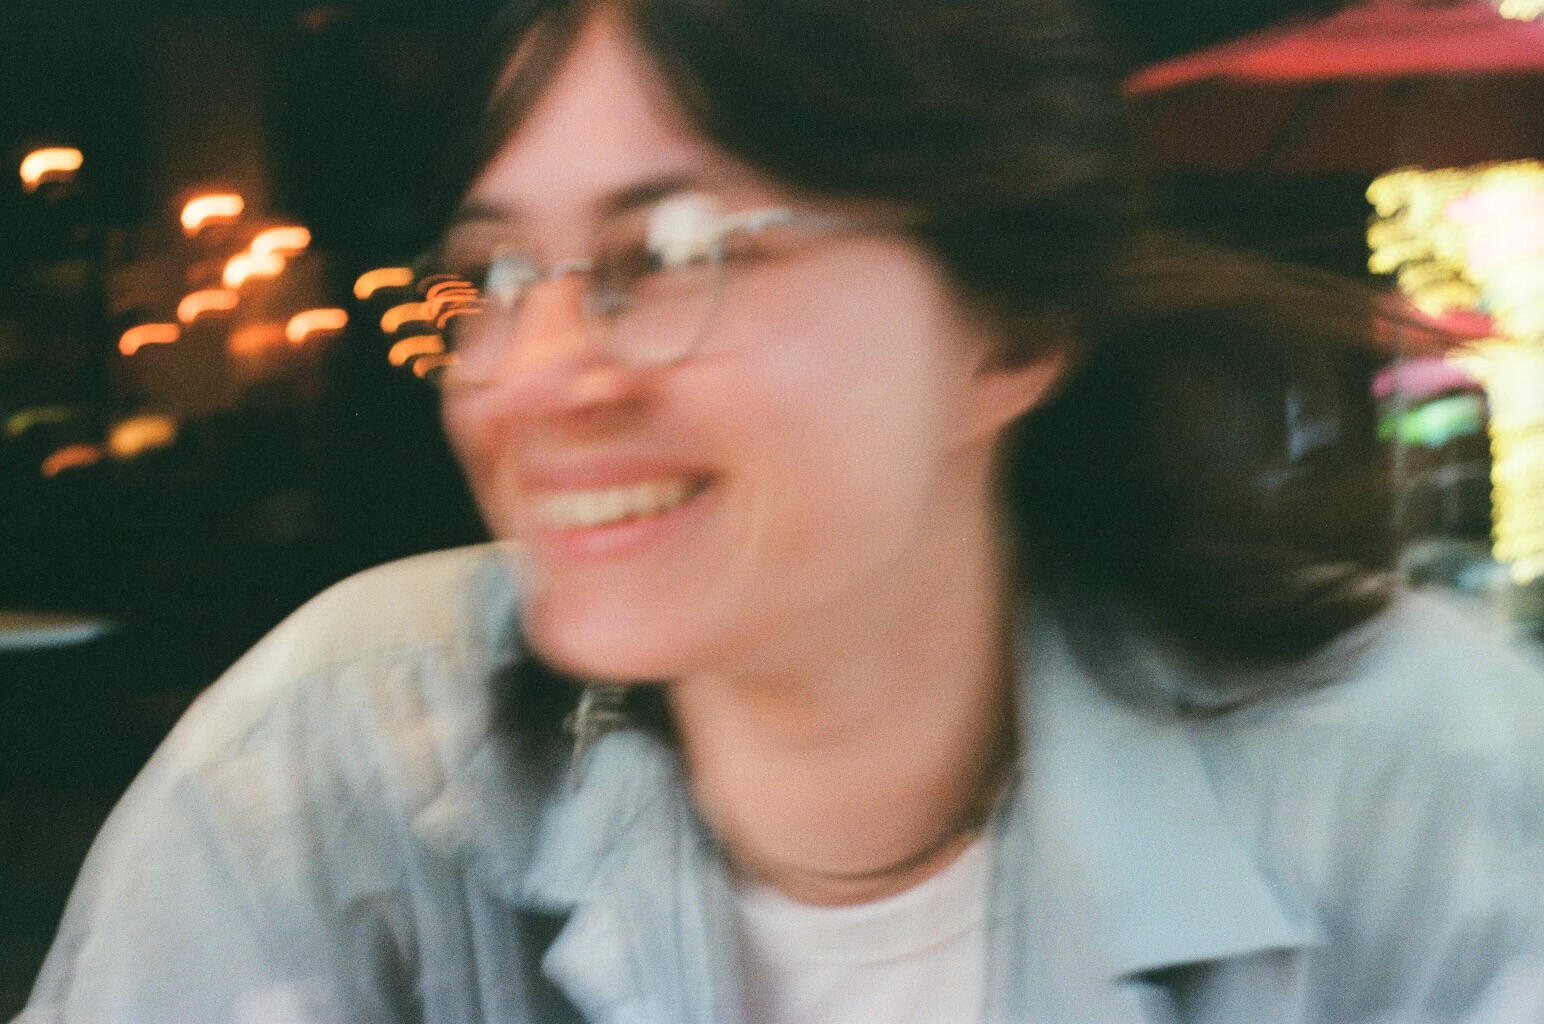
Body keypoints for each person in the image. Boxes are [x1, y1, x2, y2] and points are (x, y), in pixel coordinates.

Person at [17, 1, 1544, 1022]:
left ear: (1009, 326)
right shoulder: (340, 770)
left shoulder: (1421, 798)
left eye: (678, 252)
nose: (533, 377)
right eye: (498, 274)